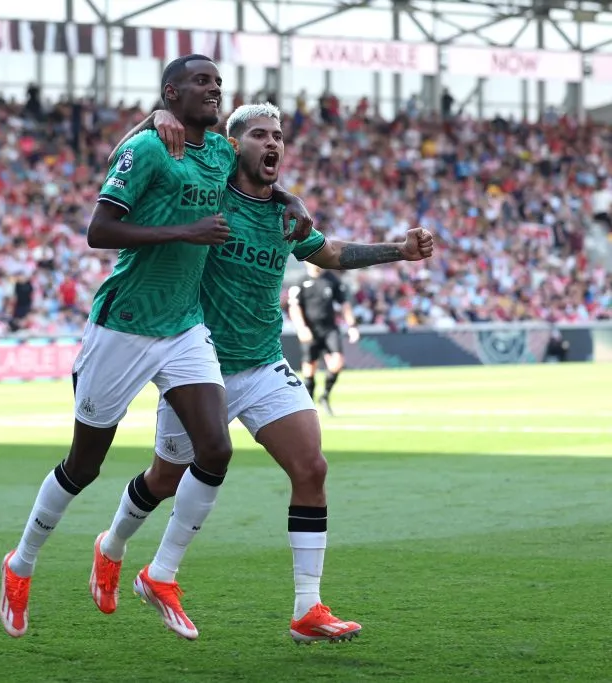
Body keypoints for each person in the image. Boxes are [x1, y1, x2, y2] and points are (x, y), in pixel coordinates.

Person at [89, 103, 434, 643]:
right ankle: (112, 546)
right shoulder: (207, 192)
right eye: (258, 134)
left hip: (264, 363)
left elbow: (330, 252)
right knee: (165, 477)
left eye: (278, 135)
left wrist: (398, 250)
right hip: (198, 365)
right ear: (231, 145)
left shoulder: (284, 214)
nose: (272, 143)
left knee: (311, 468)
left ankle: (307, 609)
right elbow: (126, 162)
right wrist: (155, 118)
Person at [0, 54, 313, 640]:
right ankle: (21, 563)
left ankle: (160, 575)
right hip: (123, 324)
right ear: (172, 92)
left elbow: (255, 177)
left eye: (218, 83)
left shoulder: (219, 151)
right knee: (83, 465)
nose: (214, 89)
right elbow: (99, 231)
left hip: (185, 328)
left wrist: (290, 200)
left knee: (214, 450)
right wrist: (182, 226)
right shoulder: (146, 149)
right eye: (201, 82)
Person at [288, 263, 359, 416]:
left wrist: (352, 326)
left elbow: (344, 304)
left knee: (337, 361)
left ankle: (325, 395)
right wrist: (301, 327)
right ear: (307, 262)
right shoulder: (300, 281)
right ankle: (309, 403)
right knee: (309, 368)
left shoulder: (331, 279)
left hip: (329, 329)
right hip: (310, 330)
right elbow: (294, 307)